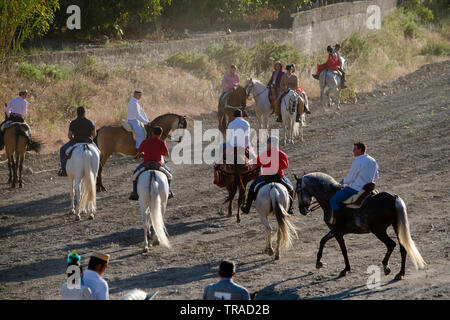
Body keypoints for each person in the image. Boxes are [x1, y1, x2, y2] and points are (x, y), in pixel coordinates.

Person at [241, 136, 294, 215]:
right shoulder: (282, 154)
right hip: (279, 177)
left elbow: (256, 165)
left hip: (266, 177)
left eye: (268, 144)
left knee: (252, 188)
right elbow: (286, 166)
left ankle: (247, 208)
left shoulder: (264, 154)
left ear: (269, 144)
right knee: (291, 188)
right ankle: (290, 208)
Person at [329, 142, 379, 225]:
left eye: (355, 149)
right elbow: (376, 176)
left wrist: (343, 182)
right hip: (368, 189)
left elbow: (350, 178)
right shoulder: (373, 160)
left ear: (360, 150)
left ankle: (339, 221)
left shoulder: (358, 161)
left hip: (356, 189)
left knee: (333, 200)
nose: (353, 151)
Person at [129, 126, 173, 201]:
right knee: (169, 175)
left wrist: (143, 154)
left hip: (146, 164)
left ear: (152, 133)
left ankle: (135, 192)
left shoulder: (145, 142)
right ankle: (168, 191)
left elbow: (139, 153)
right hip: (158, 164)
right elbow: (166, 154)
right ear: (160, 134)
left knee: (134, 175)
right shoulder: (161, 143)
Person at [58, 106, 96, 176]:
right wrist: (90, 139)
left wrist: (72, 140)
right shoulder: (90, 122)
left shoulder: (73, 123)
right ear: (84, 113)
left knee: (62, 150)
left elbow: (69, 136)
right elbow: (94, 134)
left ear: (77, 113)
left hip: (76, 142)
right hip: (88, 141)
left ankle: (64, 170)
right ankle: (98, 169)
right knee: (98, 152)